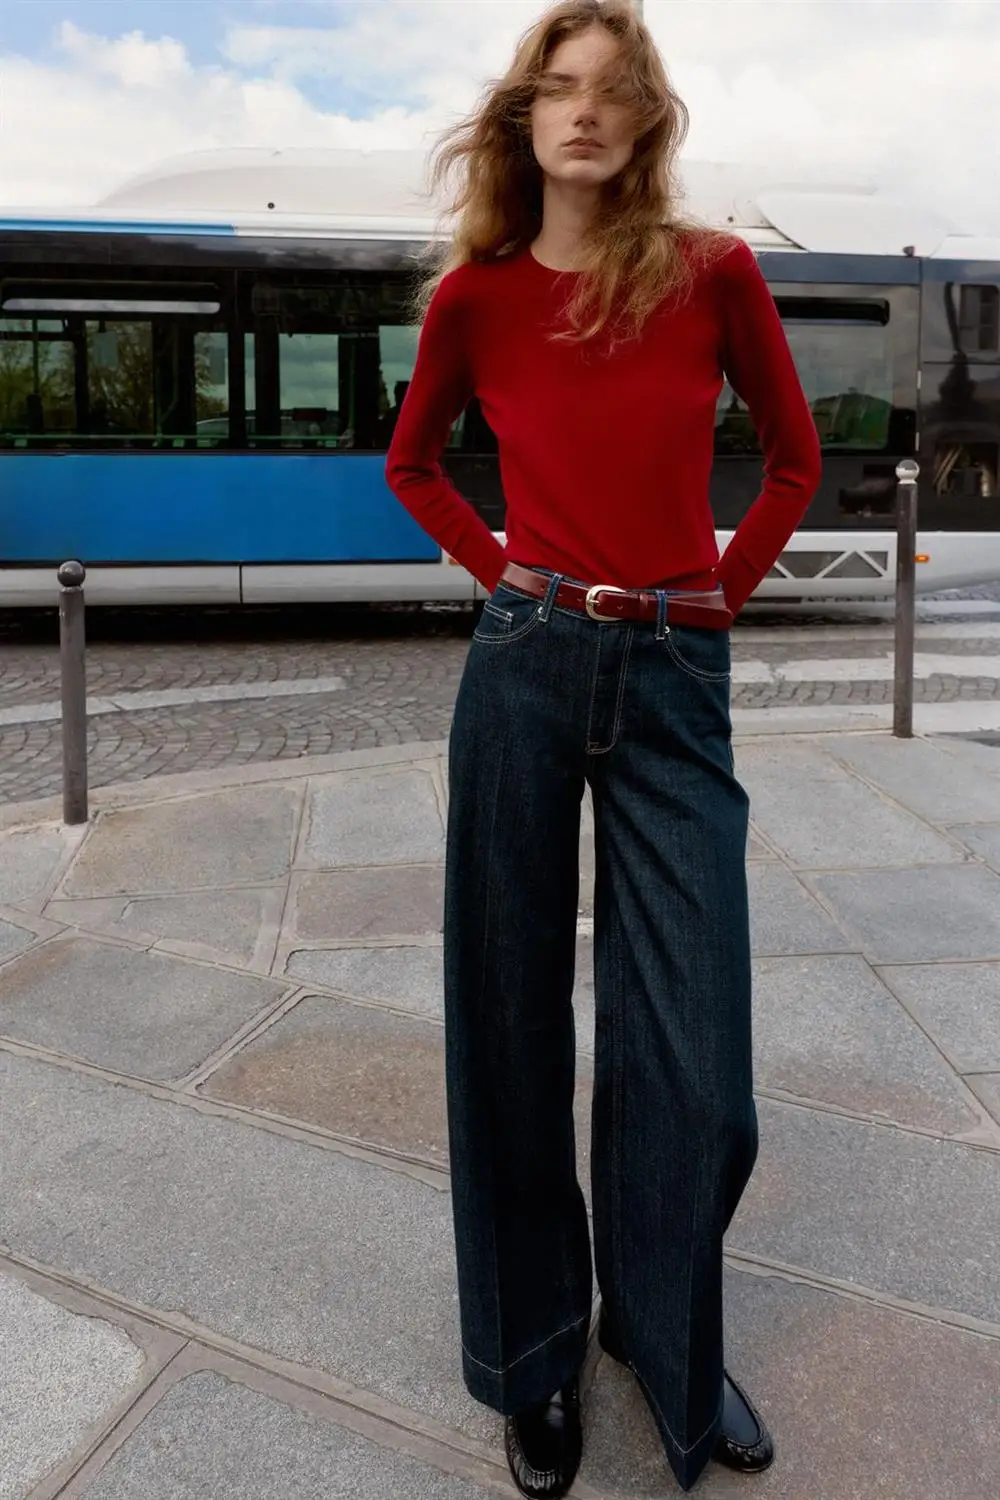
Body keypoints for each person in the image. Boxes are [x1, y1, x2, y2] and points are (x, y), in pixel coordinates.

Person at [385, 2, 821, 1494]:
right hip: (525, 662)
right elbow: (413, 463)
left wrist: (718, 597)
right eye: (558, 88)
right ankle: (534, 1355)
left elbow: (795, 458)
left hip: (673, 670)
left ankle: (658, 1323)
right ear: (524, 118)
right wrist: (499, 569)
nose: (584, 111)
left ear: (646, 120)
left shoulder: (713, 273)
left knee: (699, 1060)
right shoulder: (476, 298)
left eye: (613, 90)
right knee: (506, 1020)